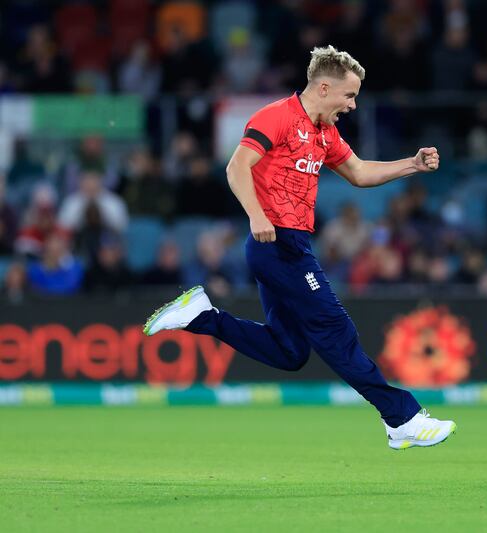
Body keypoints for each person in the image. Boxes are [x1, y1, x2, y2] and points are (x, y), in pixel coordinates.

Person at [142, 46, 455, 450]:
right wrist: (256, 215)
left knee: (289, 352)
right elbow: (236, 167)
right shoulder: (277, 116)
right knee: (335, 330)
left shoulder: (325, 133)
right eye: (349, 95)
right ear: (324, 87)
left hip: (286, 245)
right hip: (276, 243)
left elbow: (358, 172)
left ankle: (202, 317)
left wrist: (411, 164)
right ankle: (402, 418)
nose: (353, 105)